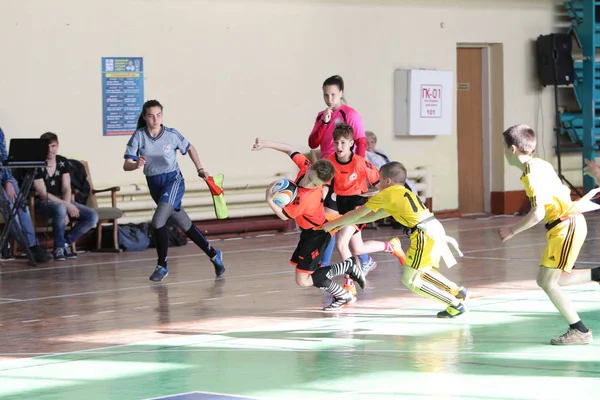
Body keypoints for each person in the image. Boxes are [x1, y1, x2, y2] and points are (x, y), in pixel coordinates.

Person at [323, 161, 470, 318]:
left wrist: (332, 224)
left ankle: (454, 304)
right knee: (422, 270)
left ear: (387, 181)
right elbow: (374, 215)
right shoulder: (403, 192)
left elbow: (358, 214)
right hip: (434, 228)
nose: (377, 184)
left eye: (379, 180)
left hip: (423, 234)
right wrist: (346, 222)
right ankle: (456, 291)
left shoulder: (386, 194)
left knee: (411, 280)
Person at [500, 124, 600, 345]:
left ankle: (580, 331)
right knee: (549, 279)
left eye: (504, 148)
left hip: (566, 225)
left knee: (548, 282)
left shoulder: (530, 174)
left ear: (513, 149)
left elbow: (538, 212)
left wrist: (512, 230)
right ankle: (597, 275)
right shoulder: (540, 164)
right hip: (565, 225)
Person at [252, 137, 368, 311]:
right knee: (310, 276)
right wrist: (266, 144)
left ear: (322, 185)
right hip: (309, 233)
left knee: (303, 280)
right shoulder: (305, 167)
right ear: (309, 168)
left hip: (317, 234)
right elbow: (289, 148)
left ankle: (348, 267)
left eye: (315, 184)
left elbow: (284, 216)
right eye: (310, 178)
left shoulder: (306, 197)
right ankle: (344, 296)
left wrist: (270, 200)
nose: (309, 183)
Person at [123, 99, 225, 282]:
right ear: (145, 117)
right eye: (151, 116)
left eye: (158, 115)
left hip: (173, 180)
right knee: (185, 224)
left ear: (162, 115)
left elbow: (190, 148)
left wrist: (200, 168)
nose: (155, 119)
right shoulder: (138, 136)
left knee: (158, 220)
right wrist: (135, 164)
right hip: (154, 184)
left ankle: (162, 266)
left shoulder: (171, 134)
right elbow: (126, 165)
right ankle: (214, 254)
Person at [307, 75, 373, 272]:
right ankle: (336, 262)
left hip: (346, 173)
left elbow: (361, 141)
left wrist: (358, 169)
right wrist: (324, 123)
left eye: (333, 95)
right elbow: (313, 143)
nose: (329, 99)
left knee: (339, 220)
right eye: (326, 95)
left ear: (341, 93)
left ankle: (327, 264)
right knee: (331, 218)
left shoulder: (351, 114)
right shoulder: (322, 115)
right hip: (327, 171)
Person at [327, 124, 402, 294]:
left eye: (343, 143)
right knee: (358, 249)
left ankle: (349, 283)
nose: (339, 147)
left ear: (351, 143)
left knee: (341, 242)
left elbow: (381, 186)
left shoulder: (360, 163)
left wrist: (373, 197)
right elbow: (325, 185)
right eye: (336, 143)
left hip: (357, 205)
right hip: (341, 205)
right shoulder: (330, 162)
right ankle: (391, 247)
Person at [32, 132, 98, 260]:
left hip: (63, 201)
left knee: (92, 216)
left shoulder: (62, 161)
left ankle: (64, 243)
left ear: (57, 145)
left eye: (53, 146)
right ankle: (59, 248)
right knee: (60, 209)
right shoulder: (36, 164)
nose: (50, 150)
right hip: (43, 202)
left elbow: (67, 187)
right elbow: (43, 193)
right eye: (47, 147)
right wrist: (66, 206)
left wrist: (66, 204)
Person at [0, 127, 51, 263]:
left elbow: (5, 156)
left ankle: (33, 246)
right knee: (10, 209)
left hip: (4, 176)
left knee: (22, 206)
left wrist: (9, 180)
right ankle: (28, 247)